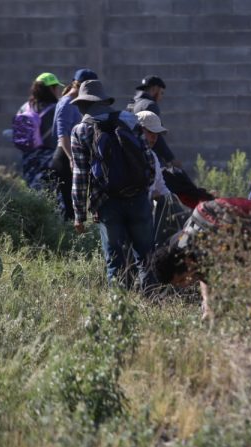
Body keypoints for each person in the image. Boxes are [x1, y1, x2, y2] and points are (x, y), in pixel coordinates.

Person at [70, 80, 156, 289]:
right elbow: (149, 159)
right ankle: (153, 302)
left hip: (107, 203)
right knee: (146, 258)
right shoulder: (129, 120)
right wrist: (144, 188)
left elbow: (80, 176)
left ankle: (119, 310)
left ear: (83, 105)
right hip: (138, 198)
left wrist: (79, 215)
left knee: (115, 262)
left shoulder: (81, 131)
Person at [151, 198, 251, 320]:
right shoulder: (178, 246)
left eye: (182, 280)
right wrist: (208, 303)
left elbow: (237, 279)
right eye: (178, 284)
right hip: (227, 223)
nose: (184, 285)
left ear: (186, 262)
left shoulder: (211, 248)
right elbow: (202, 273)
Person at [135, 111, 190, 245]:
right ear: (140, 131)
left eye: (156, 135)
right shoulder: (131, 154)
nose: (154, 138)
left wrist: (173, 201)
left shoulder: (153, 157)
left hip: (146, 213)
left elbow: (161, 186)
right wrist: (150, 193)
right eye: (151, 134)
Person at [50, 68, 98, 220]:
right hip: (65, 157)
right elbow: (62, 134)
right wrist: (71, 158)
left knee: (74, 203)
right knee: (70, 206)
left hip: (71, 155)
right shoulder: (66, 103)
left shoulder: (74, 102)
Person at [15, 72, 63, 190]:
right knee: (52, 194)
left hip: (28, 159)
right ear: (51, 88)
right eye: (56, 87)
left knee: (32, 192)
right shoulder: (57, 109)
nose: (57, 91)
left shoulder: (25, 107)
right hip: (49, 159)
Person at [126, 75, 181, 168]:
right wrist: (170, 159)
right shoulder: (150, 105)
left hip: (131, 156)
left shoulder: (131, 104)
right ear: (154, 89)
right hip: (147, 157)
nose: (161, 98)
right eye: (161, 93)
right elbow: (155, 135)